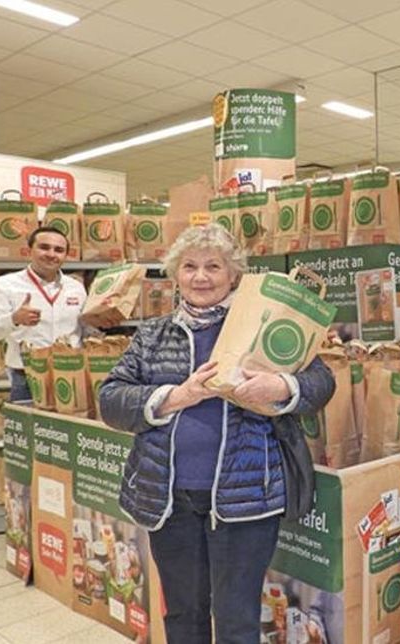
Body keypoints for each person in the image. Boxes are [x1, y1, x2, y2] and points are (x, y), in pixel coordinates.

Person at [98, 224, 335, 644]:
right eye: (189, 266)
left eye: (213, 266)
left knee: (238, 619)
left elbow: (320, 383)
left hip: (246, 501)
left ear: (233, 275)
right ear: (176, 274)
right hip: (170, 500)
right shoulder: (153, 335)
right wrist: (176, 395)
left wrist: (281, 387)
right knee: (184, 614)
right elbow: (111, 399)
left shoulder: (262, 322)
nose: (201, 276)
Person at [0, 226, 89, 403]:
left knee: (68, 429)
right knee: (29, 430)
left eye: (59, 250)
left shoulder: (76, 287)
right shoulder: (4, 285)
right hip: (27, 376)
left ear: (66, 255)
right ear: (29, 250)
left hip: (72, 372)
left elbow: (84, 329)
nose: (51, 254)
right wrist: (14, 319)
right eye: (44, 247)